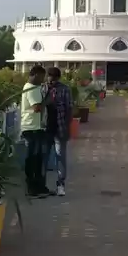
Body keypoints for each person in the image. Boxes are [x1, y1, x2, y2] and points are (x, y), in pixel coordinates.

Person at [42, 67, 73, 197]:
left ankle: (60, 185)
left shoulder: (64, 89)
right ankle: (41, 185)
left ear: (58, 78)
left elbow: (69, 108)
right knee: (44, 157)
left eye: (54, 77)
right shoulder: (43, 89)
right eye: (49, 76)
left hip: (59, 127)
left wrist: (67, 127)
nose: (51, 79)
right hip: (45, 128)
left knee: (60, 157)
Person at [20, 65, 50, 197]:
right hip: (31, 128)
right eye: (42, 77)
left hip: (38, 127)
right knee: (32, 159)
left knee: (38, 159)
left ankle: (39, 186)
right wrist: (47, 100)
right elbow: (37, 108)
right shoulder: (31, 88)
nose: (43, 80)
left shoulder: (37, 88)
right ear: (36, 75)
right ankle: (31, 187)